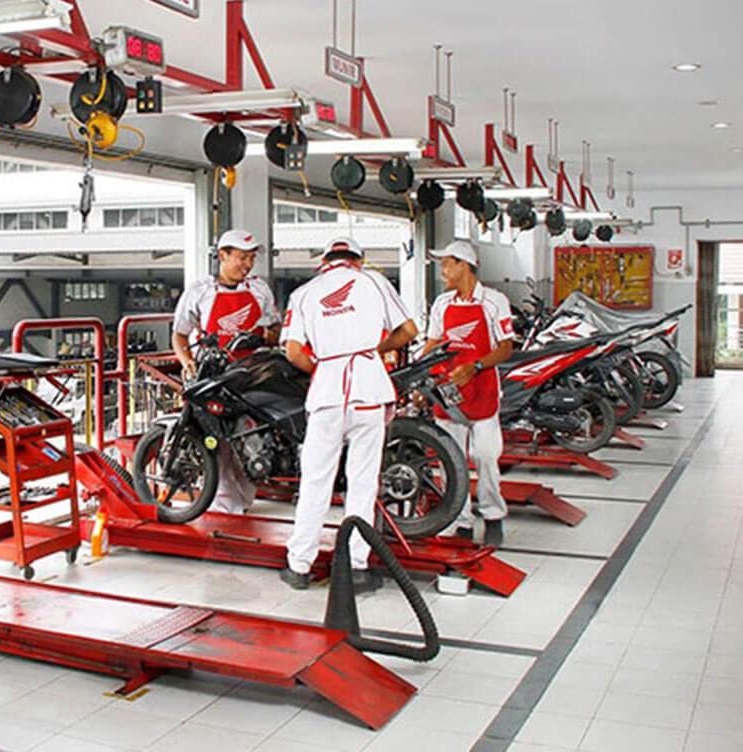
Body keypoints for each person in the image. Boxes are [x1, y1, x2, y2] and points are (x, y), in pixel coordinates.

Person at [278, 236, 420, 592]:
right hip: (368, 388)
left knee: (315, 481)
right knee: (362, 482)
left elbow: (293, 351)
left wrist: (322, 368)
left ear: (325, 261)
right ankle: (356, 567)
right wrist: (376, 349)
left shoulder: (304, 293)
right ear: (358, 260)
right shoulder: (374, 281)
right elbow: (409, 330)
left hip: (326, 393)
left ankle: (299, 566)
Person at [171, 228, 280, 513]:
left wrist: (264, 336)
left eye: (251, 258)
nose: (248, 264)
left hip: (251, 374)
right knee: (216, 439)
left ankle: (244, 497)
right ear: (223, 255)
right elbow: (179, 335)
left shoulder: (259, 289)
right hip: (212, 374)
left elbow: (276, 329)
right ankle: (222, 503)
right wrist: (187, 361)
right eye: (242, 257)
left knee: (248, 435)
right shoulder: (200, 291)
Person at [421, 240, 515, 547]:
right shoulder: (442, 304)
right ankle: (460, 519)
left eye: (447, 264)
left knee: (485, 456)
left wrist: (475, 366)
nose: (443, 271)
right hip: (448, 392)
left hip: (482, 389)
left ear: (464, 265)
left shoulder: (494, 301)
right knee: (451, 459)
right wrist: (419, 374)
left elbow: (506, 347)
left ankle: (493, 515)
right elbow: (433, 343)